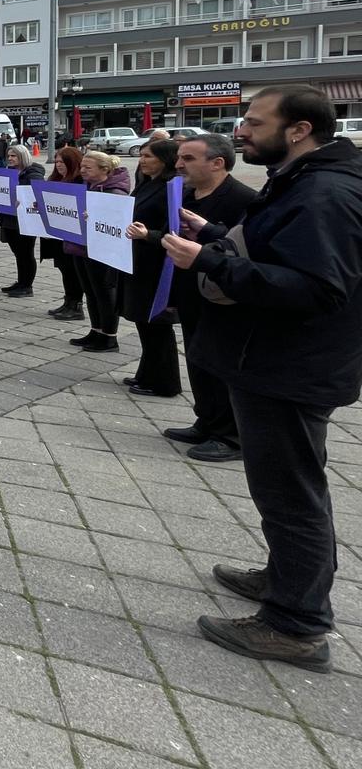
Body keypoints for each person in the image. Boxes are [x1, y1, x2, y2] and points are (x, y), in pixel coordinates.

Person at [161, 87, 362, 670]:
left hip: (288, 367)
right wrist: (219, 238)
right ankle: (287, 578)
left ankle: (296, 625)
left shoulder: (325, 192)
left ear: (298, 130)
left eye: (253, 122)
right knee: (287, 488)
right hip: (275, 360)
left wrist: (210, 262)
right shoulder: (301, 179)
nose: (241, 131)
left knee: (290, 494)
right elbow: (279, 253)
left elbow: (317, 289)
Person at [137, 134, 255, 460]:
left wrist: (207, 234)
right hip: (189, 291)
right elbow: (168, 235)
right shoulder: (185, 194)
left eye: (187, 158)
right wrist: (151, 236)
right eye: (179, 158)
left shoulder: (243, 199)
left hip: (224, 297)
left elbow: (248, 250)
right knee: (198, 358)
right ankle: (207, 421)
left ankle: (232, 436)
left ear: (217, 163)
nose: (177, 164)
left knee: (222, 364)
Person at [119, 141, 180, 396]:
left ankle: (164, 382)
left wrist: (148, 235)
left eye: (148, 156)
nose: (142, 160)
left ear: (165, 160)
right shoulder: (147, 183)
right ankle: (146, 373)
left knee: (156, 323)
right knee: (144, 321)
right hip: (137, 259)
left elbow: (173, 228)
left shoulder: (171, 187)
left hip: (155, 261)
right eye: (141, 155)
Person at [63, 151, 131, 351]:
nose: (82, 170)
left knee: (104, 293)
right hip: (82, 246)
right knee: (90, 292)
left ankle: (109, 336)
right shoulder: (87, 187)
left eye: (88, 168)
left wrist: (95, 216)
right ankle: (96, 330)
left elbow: (117, 220)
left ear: (105, 169)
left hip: (102, 251)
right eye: (82, 167)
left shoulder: (115, 192)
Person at [41, 146, 87, 321]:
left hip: (73, 236)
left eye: (63, 162)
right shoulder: (55, 180)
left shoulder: (78, 182)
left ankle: (76, 305)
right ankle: (68, 301)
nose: (59, 165)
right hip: (58, 235)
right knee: (64, 269)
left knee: (72, 271)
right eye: (57, 161)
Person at [0, 145, 44, 297]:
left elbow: (34, 193)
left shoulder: (33, 174)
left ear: (22, 157)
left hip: (25, 220)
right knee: (18, 253)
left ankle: (27, 286)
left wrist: (21, 198)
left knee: (26, 253)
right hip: (9, 218)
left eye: (14, 156)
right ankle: (21, 282)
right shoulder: (8, 172)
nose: (10, 158)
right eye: (9, 155)